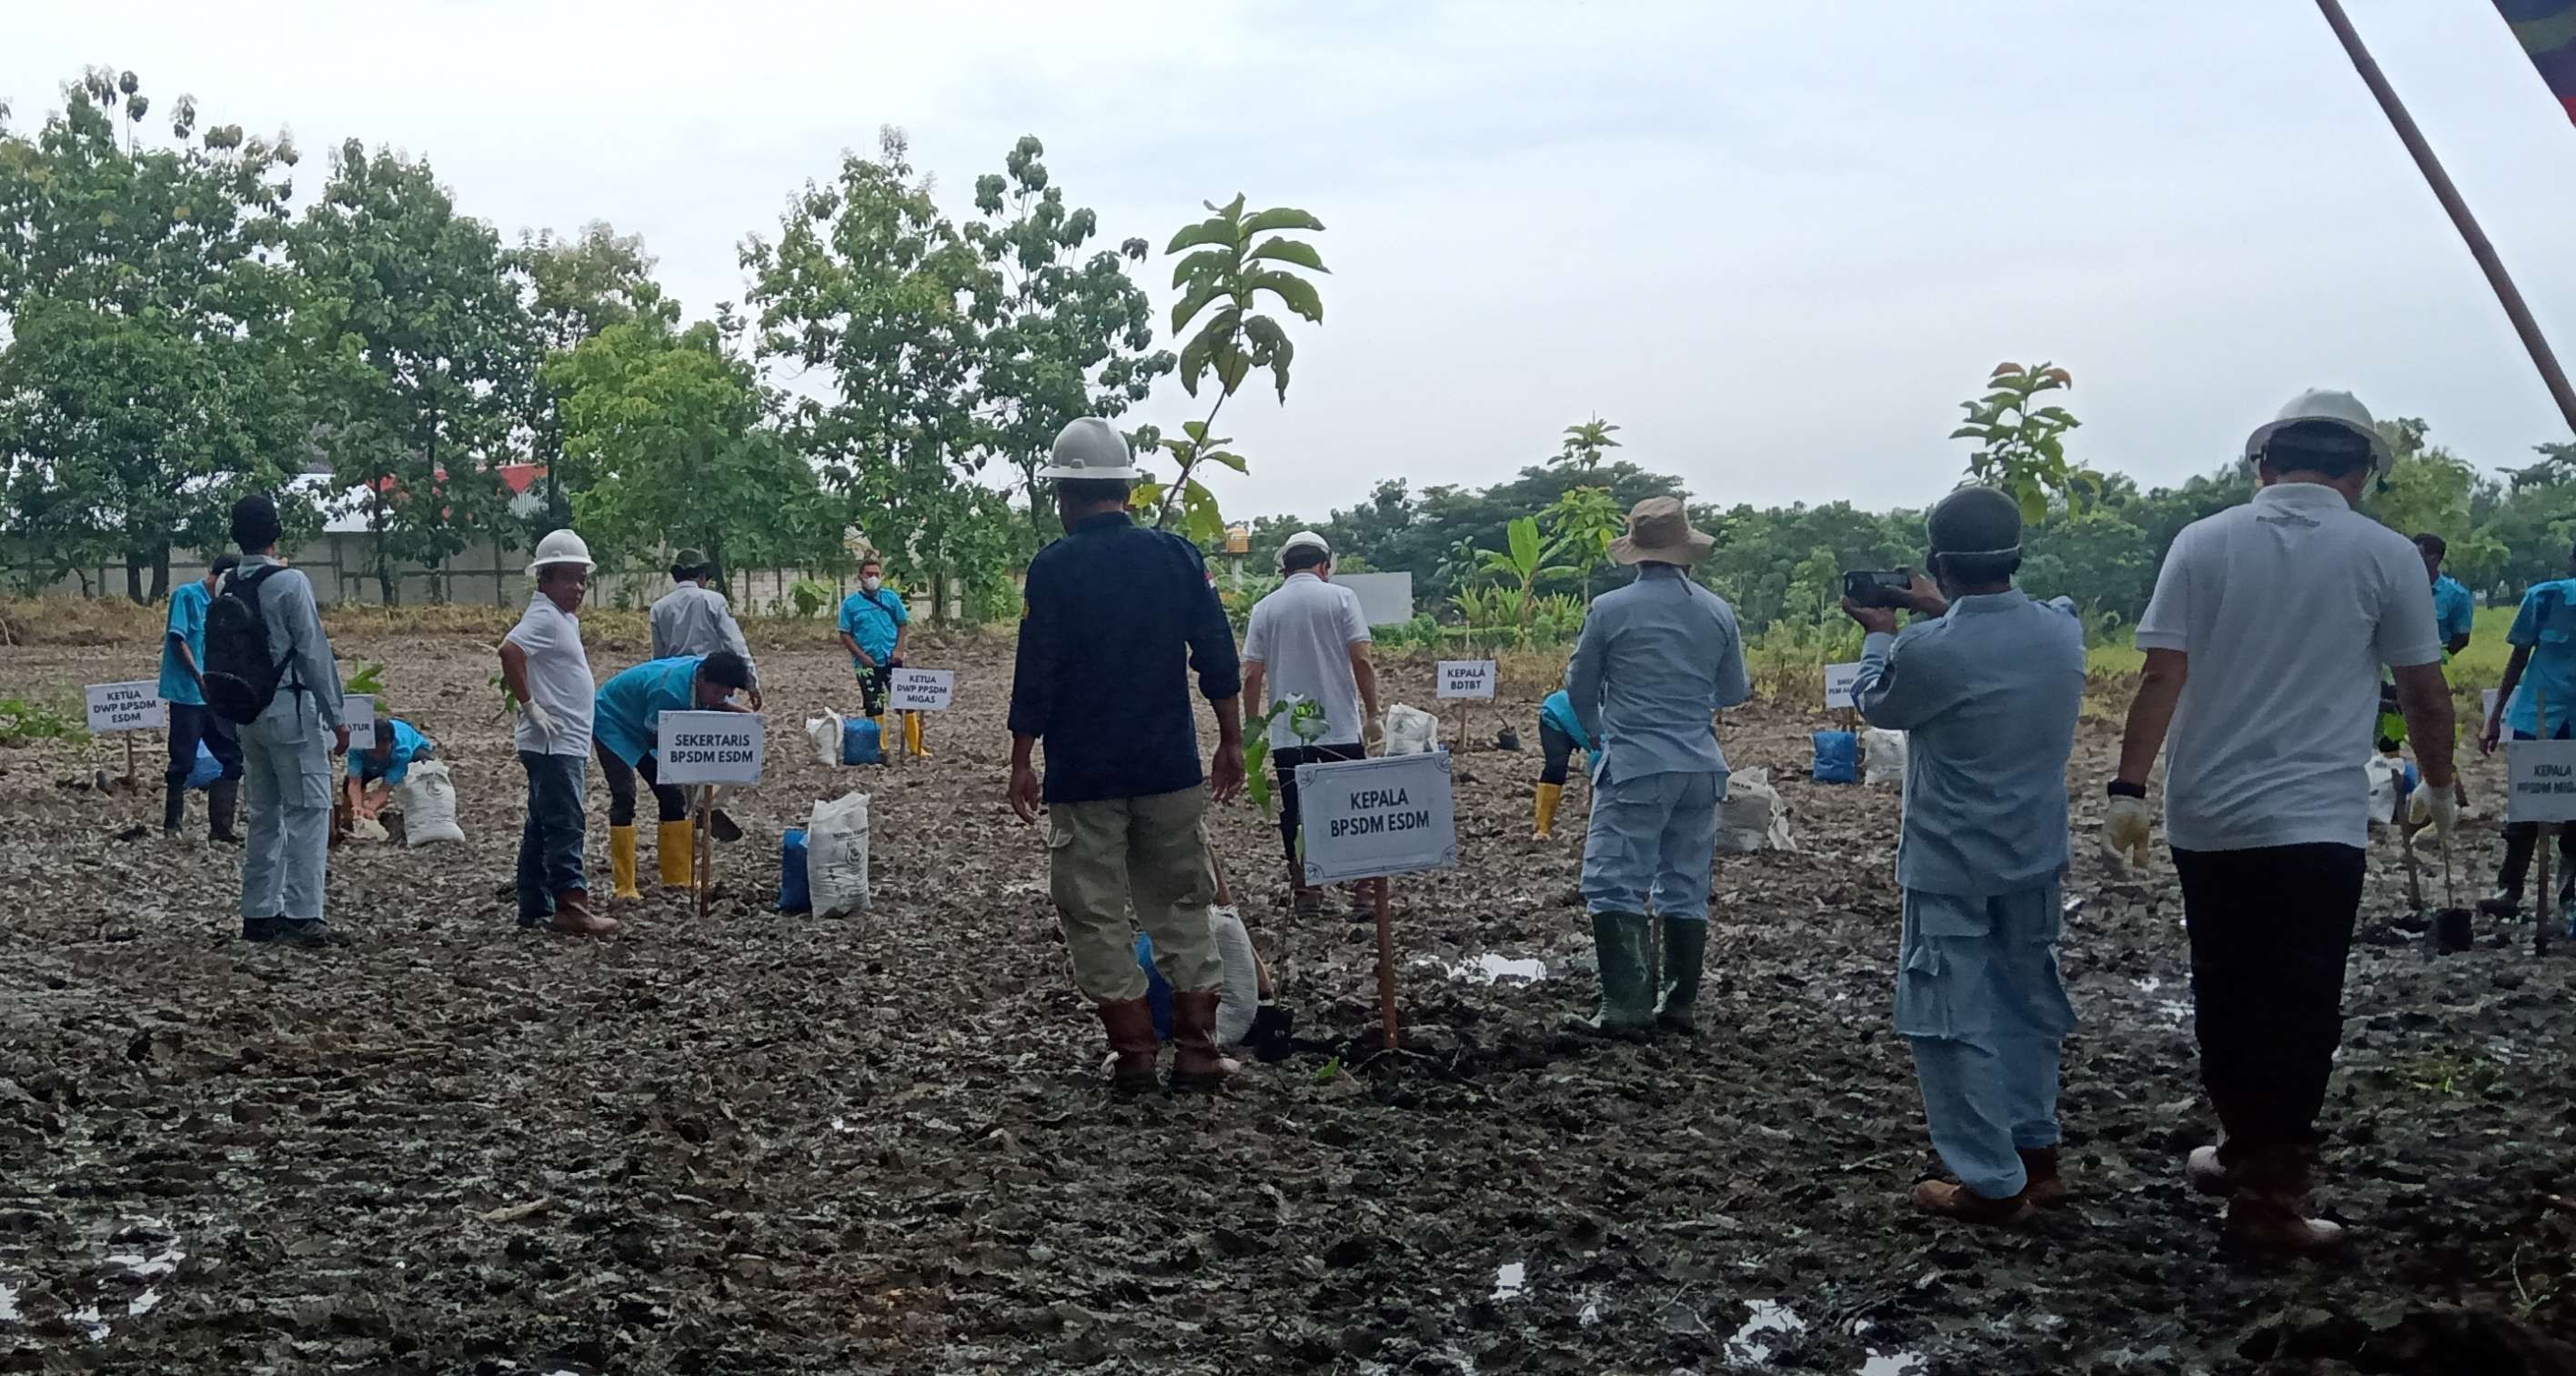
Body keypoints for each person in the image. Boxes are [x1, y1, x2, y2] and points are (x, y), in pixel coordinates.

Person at [2106, 388, 2457, 1254]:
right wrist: (2441, 786)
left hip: (2210, 815)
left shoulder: (2203, 541)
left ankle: (2240, 1149)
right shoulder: (2386, 556)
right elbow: (2422, 687)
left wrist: (2127, 788)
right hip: (2317, 824)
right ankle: (2268, 1199)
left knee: (2226, 988)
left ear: (2263, 464)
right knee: (2301, 1000)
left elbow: (2161, 676)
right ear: (2361, 473)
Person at [1843, 487, 2086, 1226]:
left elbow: (1877, 702)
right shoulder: (2061, 631)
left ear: (1935, 563)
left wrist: (1881, 631)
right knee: (2026, 1001)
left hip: (1951, 859)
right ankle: (2036, 1152)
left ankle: (1989, 1177)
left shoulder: (1926, 649)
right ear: (2015, 554)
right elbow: (1997, 635)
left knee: (1949, 1017)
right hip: (2035, 851)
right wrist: (1936, 609)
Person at [1008, 417, 1244, 1094]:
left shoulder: (1053, 568)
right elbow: (1218, 657)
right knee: (1181, 902)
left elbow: (1038, 672)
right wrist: (1230, 740)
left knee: (1093, 908)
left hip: (1085, 773)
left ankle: (1135, 1050)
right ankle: (1199, 1049)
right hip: (1169, 765)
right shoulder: (1177, 557)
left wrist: (1022, 759)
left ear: (1064, 497)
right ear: (1129, 492)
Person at [1563, 497, 1749, 1039]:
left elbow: (1579, 685)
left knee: (1615, 881)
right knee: (1685, 885)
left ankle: (1625, 1007)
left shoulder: (1610, 609)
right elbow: (1733, 691)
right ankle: (1678, 1005)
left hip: (1638, 763)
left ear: (1636, 553)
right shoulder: (1717, 611)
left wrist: (1597, 734)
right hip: (1702, 766)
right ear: (1685, 551)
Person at [221, 494, 350, 948]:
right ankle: (303, 914)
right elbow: (314, 653)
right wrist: (338, 717)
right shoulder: (291, 583)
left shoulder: (227, 584)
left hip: (247, 713)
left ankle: (258, 914)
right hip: (291, 713)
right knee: (309, 811)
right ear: (276, 533)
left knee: (264, 815)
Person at [1240, 529, 1379, 915]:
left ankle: (1307, 893)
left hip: (1289, 734)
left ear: (1285, 568)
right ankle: (1364, 891)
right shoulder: (1342, 599)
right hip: (1339, 726)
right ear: (1324, 565)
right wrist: (1373, 714)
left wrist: (1253, 728)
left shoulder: (1265, 608)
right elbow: (1362, 660)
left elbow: (1251, 675)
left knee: (1296, 812)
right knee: (1354, 806)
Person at [501, 530, 610, 934]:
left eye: (582, 579)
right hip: (554, 741)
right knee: (565, 821)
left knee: (542, 822)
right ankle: (571, 903)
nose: (578, 588)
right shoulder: (544, 616)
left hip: (561, 740)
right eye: (569, 578)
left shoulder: (560, 617)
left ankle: (534, 903)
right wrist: (530, 707)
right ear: (544, 579)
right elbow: (509, 651)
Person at [592, 651, 757, 895]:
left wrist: (742, 717)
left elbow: (711, 703)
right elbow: (665, 738)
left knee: (673, 797)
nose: (720, 698)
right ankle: (625, 885)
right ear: (701, 678)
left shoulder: (703, 675)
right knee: (624, 796)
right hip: (614, 722)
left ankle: (677, 878)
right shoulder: (668, 692)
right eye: (717, 692)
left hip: (649, 722)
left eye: (726, 693)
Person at [2476, 542, 2576, 924]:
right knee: (2525, 805)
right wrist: (2495, 716)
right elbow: (2518, 657)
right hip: (2540, 716)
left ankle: (2570, 896)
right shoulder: (2544, 599)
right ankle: (2510, 889)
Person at [161, 554, 243, 842]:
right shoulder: (186, 596)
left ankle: (221, 829)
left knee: (233, 758)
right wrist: (198, 677)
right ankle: (173, 826)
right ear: (220, 576)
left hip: (216, 695)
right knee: (182, 761)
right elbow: (178, 639)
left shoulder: (225, 605)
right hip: (187, 693)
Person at [650, 549, 761, 710]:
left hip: (677, 684)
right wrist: (751, 683)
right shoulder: (714, 600)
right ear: (701, 576)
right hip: (713, 681)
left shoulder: (658, 608)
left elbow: (659, 657)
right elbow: (736, 645)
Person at [838, 557, 922, 758]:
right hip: (866, 664)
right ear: (860, 576)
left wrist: (899, 650)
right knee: (874, 704)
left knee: (905, 702)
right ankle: (881, 748)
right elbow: (845, 634)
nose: (873, 578)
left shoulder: (891, 598)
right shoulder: (850, 604)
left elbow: (903, 625)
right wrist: (861, 656)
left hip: (892, 660)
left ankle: (916, 746)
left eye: (877, 574)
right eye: (869, 574)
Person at [342, 718, 435, 827]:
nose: (378, 756)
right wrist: (357, 806)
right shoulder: (357, 748)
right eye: (374, 751)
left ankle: (426, 812)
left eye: (382, 751)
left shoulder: (402, 752)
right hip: (369, 762)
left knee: (425, 767)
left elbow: (384, 790)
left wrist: (371, 807)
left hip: (411, 751)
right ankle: (350, 822)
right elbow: (355, 783)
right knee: (348, 784)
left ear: (391, 743)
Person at [1532, 688, 1594, 841]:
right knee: (1556, 766)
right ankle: (1542, 828)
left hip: (1580, 723)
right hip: (1556, 715)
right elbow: (1596, 768)